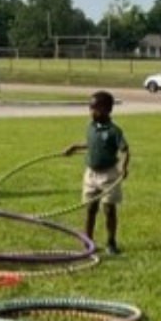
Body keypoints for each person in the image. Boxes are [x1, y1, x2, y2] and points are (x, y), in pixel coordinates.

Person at [63, 90, 129, 254]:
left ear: (108, 110)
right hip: (91, 175)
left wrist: (124, 167)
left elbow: (125, 150)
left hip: (108, 175)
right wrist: (76, 146)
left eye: (95, 109)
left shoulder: (114, 131)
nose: (91, 112)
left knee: (108, 209)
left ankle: (111, 242)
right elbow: (91, 143)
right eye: (90, 108)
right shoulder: (91, 127)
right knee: (90, 209)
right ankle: (88, 243)